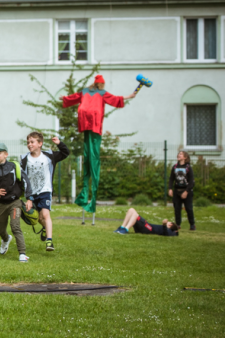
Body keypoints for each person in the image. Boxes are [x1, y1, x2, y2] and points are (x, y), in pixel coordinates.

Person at [61, 74, 135, 213]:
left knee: (87, 152)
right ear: (101, 84)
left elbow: (73, 97)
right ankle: (91, 195)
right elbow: (115, 99)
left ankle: (84, 193)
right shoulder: (102, 93)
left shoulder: (85, 91)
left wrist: (64, 98)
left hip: (84, 118)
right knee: (94, 155)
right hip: (94, 121)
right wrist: (129, 96)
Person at [20, 132, 69, 252]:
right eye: (28, 142)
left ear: (40, 144)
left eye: (32, 142)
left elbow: (65, 153)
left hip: (45, 191)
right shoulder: (24, 158)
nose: (29, 145)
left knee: (45, 215)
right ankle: (45, 228)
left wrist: (59, 144)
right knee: (39, 218)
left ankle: (49, 241)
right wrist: (28, 197)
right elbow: (23, 179)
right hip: (32, 193)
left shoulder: (49, 156)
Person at [0, 143, 29, 262]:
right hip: (0, 205)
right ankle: (6, 239)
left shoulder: (14, 167)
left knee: (15, 227)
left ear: (6, 154)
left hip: (15, 202)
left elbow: (26, 181)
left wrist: (29, 198)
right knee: (0, 230)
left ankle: (22, 253)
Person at [168, 150, 195, 231]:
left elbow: (191, 181)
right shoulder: (175, 167)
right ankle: (178, 225)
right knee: (177, 208)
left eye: (181, 154)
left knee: (189, 208)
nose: (178, 155)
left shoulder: (188, 168)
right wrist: (170, 189)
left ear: (185, 157)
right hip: (177, 191)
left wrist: (186, 192)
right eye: (178, 154)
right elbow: (171, 179)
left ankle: (192, 225)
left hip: (187, 191)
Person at [114, 208, 180, 236]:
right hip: (147, 227)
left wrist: (164, 225)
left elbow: (168, 234)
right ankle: (122, 227)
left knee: (135, 215)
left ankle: (126, 229)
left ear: (171, 224)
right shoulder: (166, 229)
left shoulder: (168, 231)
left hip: (149, 228)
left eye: (169, 222)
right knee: (131, 210)